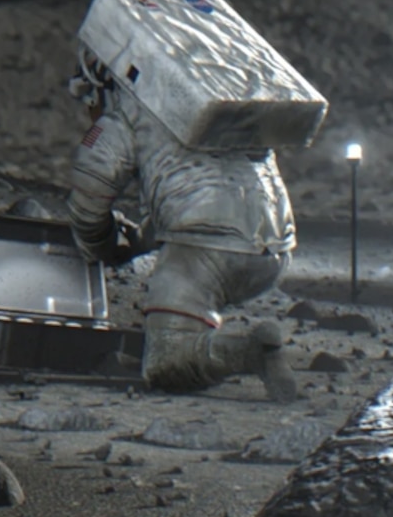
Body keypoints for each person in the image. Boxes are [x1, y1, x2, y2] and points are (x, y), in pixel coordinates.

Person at [67, 50, 301, 400]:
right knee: (195, 293)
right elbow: (200, 188)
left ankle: (251, 352)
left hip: (206, 248)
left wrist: (98, 245)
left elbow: (89, 192)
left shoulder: (127, 110)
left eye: (88, 96)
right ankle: (209, 333)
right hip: (274, 251)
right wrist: (142, 241)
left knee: (166, 363)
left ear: (103, 83)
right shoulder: (212, 98)